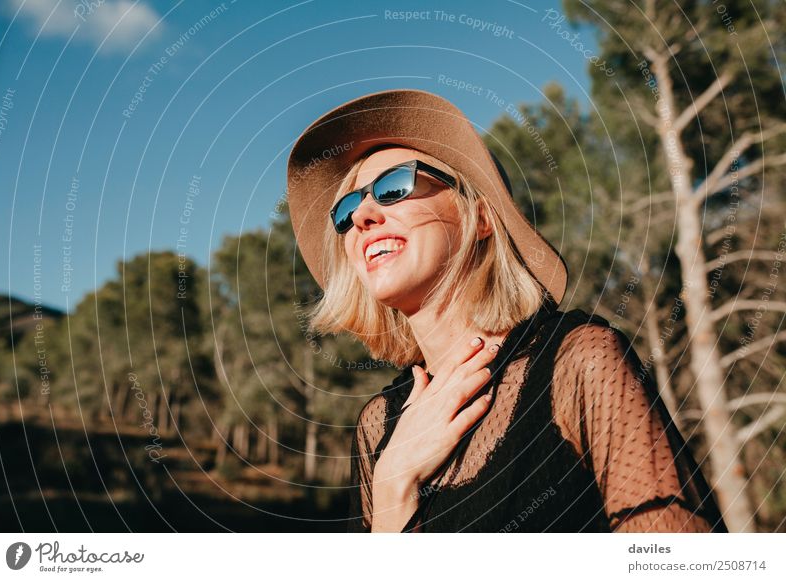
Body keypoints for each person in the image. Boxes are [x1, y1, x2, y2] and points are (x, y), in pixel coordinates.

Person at [287, 89, 728, 533]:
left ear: (480, 217)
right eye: (346, 209)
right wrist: (393, 487)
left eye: (393, 186)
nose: (362, 215)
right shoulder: (377, 428)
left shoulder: (577, 363)